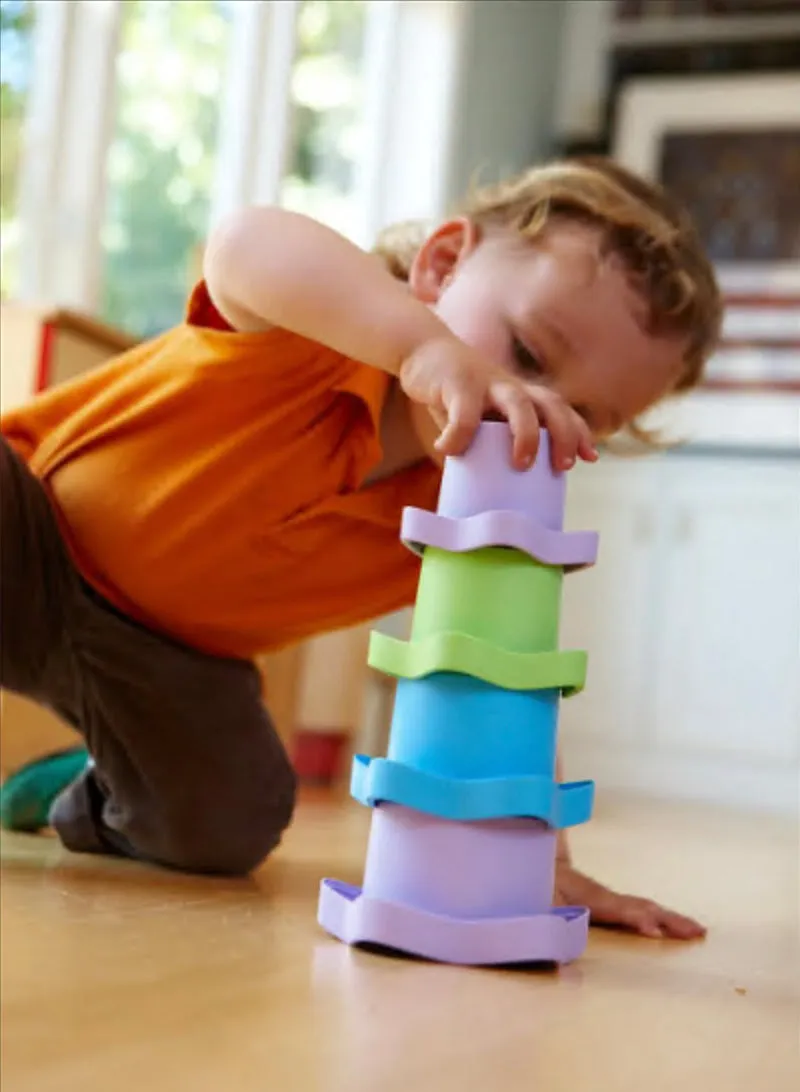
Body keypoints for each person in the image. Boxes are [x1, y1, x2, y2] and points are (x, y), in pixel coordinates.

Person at [0, 156, 721, 940]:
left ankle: (94, 791)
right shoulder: (317, 330)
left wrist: (537, 860)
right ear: (442, 265)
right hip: (30, 534)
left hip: (168, 662)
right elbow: (245, 242)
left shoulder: (472, 517)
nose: (536, 407)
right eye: (528, 356)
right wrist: (419, 349)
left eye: (586, 414)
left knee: (229, 819)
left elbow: (504, 677)